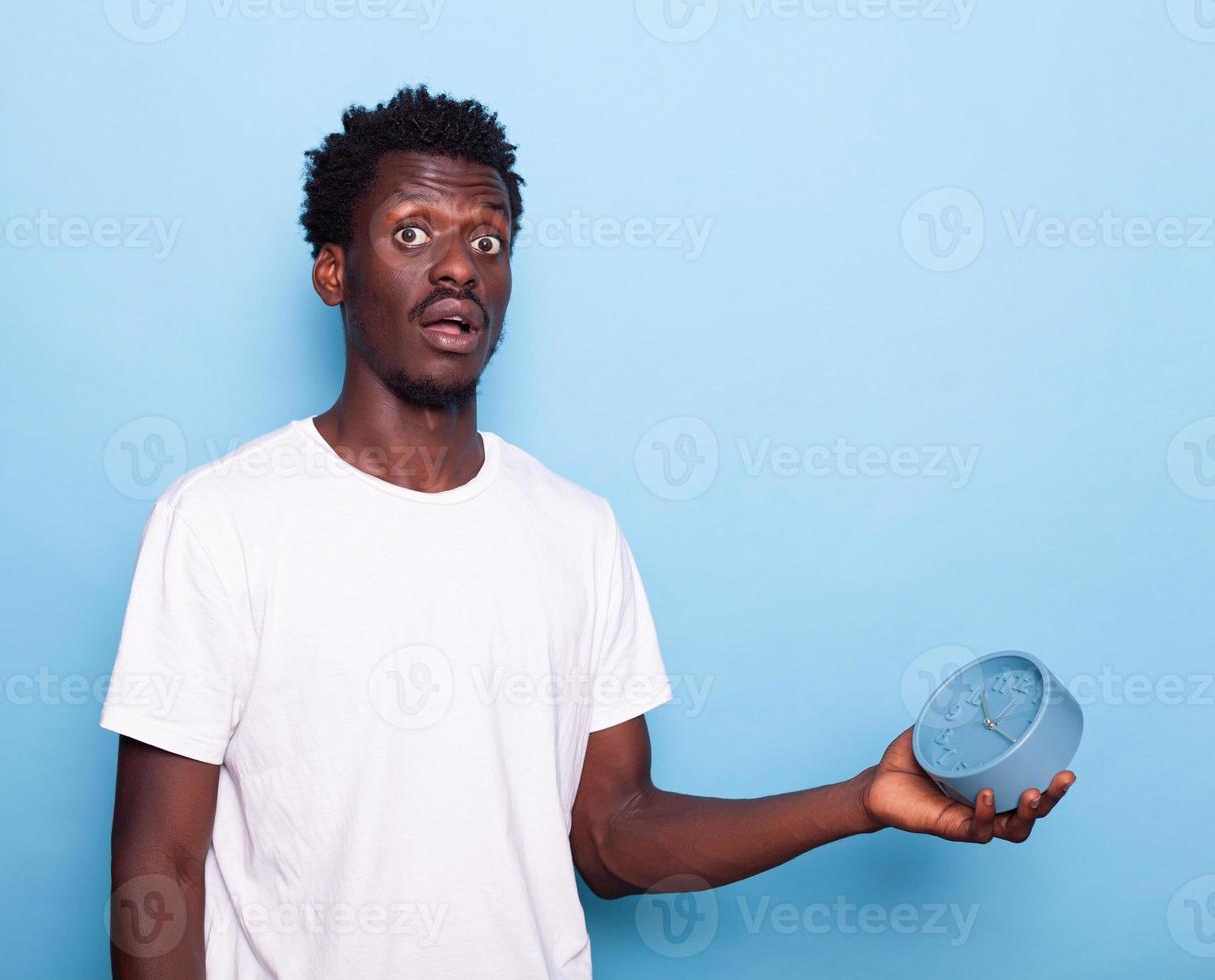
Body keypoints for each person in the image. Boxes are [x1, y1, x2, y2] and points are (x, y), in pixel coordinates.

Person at [101, 84, 1075, 980]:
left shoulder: (575, 529)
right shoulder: (222, 520)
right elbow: (161, 871)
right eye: (411, 231)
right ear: (332, 269)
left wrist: (861, 797)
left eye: (489, 240)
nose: (457, 265)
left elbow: (612, 837)